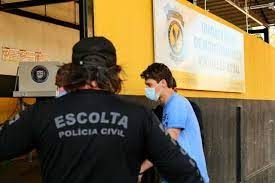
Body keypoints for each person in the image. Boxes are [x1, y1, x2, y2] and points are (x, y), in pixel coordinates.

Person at [0, 37, 203, 183]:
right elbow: (187, 172)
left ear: (73, 71)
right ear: (114, 73)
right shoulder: (139, 117)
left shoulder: (41, 113)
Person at [140, 63, 209, 183]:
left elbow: (167, 144)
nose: (147, 90)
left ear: (163, 83)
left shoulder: (177, 103)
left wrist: (141, 169)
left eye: (149, 85)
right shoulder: (168, 106)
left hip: (189, 177)